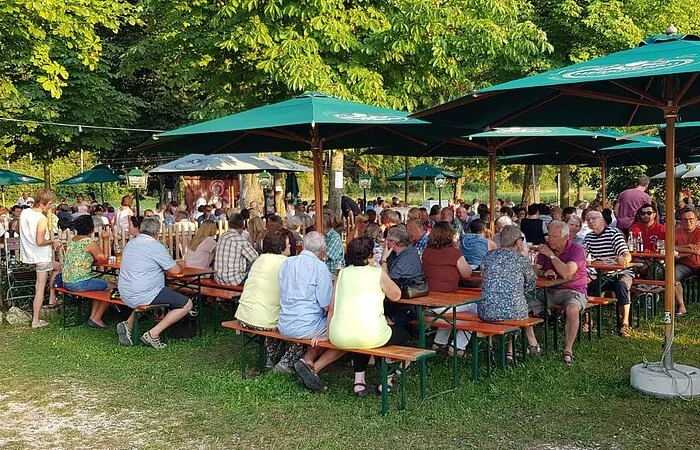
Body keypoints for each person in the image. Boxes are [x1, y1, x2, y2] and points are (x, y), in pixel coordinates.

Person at [325, 237, 405, 396]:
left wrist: (328, 334)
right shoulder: (377, 273)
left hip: (339, 335)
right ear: (369, 255)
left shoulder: (342, 274)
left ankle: (359, 382)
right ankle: (387, 380)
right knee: (402, 334)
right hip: (371, 335)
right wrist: (379, 265)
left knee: (359, 334)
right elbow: (396, 295)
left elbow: (332, 309)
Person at [277, 232, 345, 389]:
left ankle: (306, 361)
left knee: (320, 326)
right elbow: (327, 306)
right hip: (306, 326)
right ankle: (314, 367)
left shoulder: (287, 263)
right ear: (323, 250)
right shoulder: (320, 268)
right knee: (342, 331)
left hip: (284, 323)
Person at [116, 217, 192, 349]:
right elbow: (174, 270)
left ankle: (128, 324)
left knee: (145, 298)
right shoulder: (155, 246)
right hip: (145, 292)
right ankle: (153, 334)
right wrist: (181, 264)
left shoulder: (131, 242)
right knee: (187, 304)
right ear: (157, 232)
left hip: (125, 291)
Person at [478, 225, 540, 361]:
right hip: (514, 311)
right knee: (517, 306)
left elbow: (483, 274)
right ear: (518, 241)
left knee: (511, 304)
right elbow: (531, 284)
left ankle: (496, 350)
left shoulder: (489, 256)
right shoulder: (521, 260)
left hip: (486, 310)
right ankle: (513, 351)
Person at [533, 221, 589, 365]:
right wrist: (544, 272)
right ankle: (532, 344)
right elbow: (534, 270)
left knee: (572, 309)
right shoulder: (546, 249)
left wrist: (551, 256)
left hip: (573, 289)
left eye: (555, 236)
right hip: (549, 290)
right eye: (549, 235)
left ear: (565, 237)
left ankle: (568, 350)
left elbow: (566, 273)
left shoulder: (576, 250)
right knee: (522, 305)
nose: (550, 239)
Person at [235, 230, 291, 368]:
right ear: (281, 248)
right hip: (264, 321)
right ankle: (278, 360)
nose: (290, 247)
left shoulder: (259, 259)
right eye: (288, 245)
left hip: (243, 317)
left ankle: (272, 357)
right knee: (290, 323)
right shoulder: (285, 263)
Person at [422, 221, 474, 356]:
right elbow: (467, 274)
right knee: (477, 306)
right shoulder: (454, 253)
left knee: (450, 309)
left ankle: (439, 341)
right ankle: (458, 346)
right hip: (445, 305)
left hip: (428, 306)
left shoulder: (427, 252)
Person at [583, 210, 633, 337]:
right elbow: (582, 254)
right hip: (602, 274)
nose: (590, 222)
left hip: (621, 272)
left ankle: (625, 323)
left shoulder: (614, 233)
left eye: (593, 218)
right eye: (588, 220)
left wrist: (624, 260)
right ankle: (588, 320)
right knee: (585, 287)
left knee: (622, 286)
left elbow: (626, 254)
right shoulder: (589, 237)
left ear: (601, 219)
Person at [19, 189, 62, 328]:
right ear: (42, 203)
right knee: (39, 288)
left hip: (29, 254)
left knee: (58, 267)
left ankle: (52, 297)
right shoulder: (41, 219)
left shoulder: (25, 212)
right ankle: (36, 320)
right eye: (49, 204)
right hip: (41, 255)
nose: (50, 206)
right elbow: (39, 241)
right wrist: (52, 241)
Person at [62, 215, 112, 328]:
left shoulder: (72, 240)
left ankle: (93, 317)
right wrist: (105, 240)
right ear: (92, 228)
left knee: (100, 284)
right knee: (112, 287)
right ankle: (96, 318)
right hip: (79, 283)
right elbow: (103, 258)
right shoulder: (89, 242)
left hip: (66, 281)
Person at [384, 225, 424, 327]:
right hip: (398, 300)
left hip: (408, 305)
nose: (385, 242)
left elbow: (388, 282)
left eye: (387, 239)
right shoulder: (396, 254)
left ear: (393, 243)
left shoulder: (407, 257)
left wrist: (383, 260)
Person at [214, 213, 258, 286]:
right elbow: (256, 258)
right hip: (235, 280)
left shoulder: (222, 237)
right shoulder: (240, 240)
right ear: (242, 225)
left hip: (219, 279)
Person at [673, 208, 700, 317]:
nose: (688, 222)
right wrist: (686, 247)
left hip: (698, 264)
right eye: (684, 220)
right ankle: (681, 306)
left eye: (691, 219)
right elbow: (668, 247)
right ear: (680, 221)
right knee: (672, 275)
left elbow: (698, 250)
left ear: (696, 219)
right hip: (684, 264)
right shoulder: (676, 232)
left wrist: (678, 248)